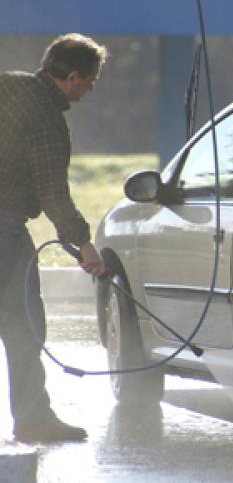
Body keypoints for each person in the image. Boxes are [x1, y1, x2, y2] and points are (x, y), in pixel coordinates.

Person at [0, 34, 107, 443]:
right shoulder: (46, 119)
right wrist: (83, 245)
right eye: (90, 80)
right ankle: (32, 420)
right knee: (24, 325)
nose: (91, 88)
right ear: (72, 77)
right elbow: (52, 193)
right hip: (4, 230)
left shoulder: (7, 84)